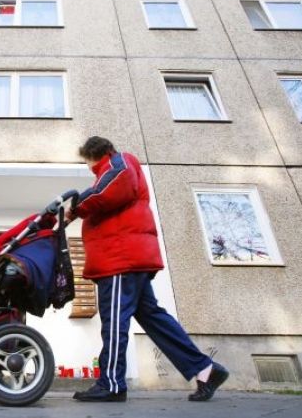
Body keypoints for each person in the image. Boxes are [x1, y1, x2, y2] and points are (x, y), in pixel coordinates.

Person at [67, 136, 229, 402]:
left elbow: (112, 186)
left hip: (120, 258)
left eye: (88, 163)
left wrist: (77, 207)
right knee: (153, 317)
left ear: (96, 154)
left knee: (115, 321)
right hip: (127, 257)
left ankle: (111, 383)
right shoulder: (114, 168)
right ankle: (205, 369)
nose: (89, 169)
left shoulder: (118, 163)